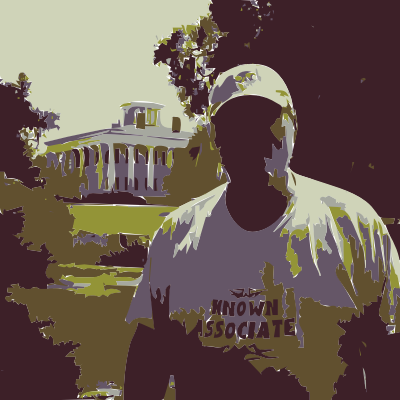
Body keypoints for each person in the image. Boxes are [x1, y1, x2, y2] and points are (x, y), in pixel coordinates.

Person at [124, 64, 400, 400]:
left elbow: (390, 356)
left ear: (293, 125)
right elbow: (148, 361)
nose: (253, 134)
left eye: (266, 118)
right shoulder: (175, 238)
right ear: (216, 138)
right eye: (236, 123)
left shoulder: (355, 226)